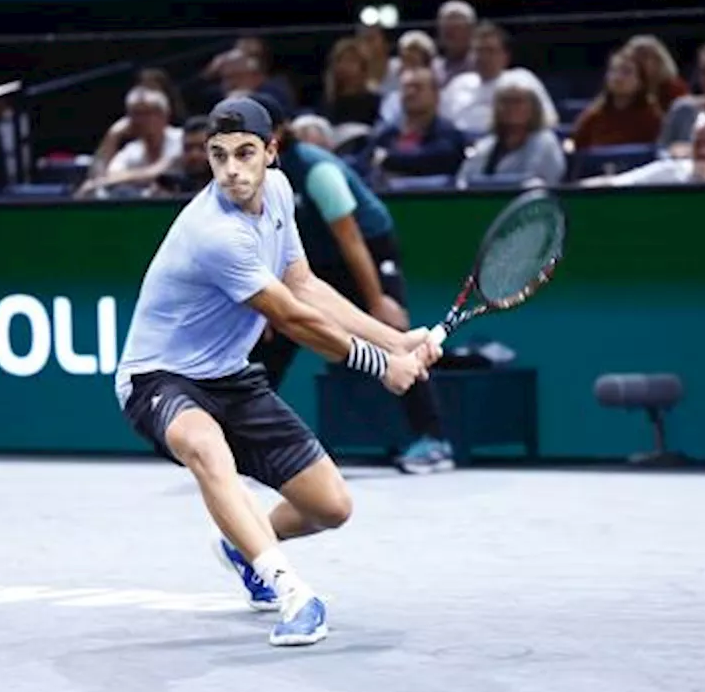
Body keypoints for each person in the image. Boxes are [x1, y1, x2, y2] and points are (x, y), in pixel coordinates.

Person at [114, 97, 441, 647]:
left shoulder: (282, 193)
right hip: (159, 377)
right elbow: (290, 316)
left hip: (228, 374)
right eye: (219, 157)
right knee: (206, 448)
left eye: (245, 154)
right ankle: (292, 592)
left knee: (330, 507)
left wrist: (394, 337)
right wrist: (382, 364)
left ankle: (244, 544)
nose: (232, 170)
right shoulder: (215, 232)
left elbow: (304, 284)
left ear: (271, 152)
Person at [248, 92, 455, 474]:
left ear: (277, 132)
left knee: (391, 334)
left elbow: (351, 238)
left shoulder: (314, 169)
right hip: (310, 261)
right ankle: (245, 444)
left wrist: (377, 299)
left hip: (366, 251)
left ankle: (433, 441)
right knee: (272, 344)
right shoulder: (254, 177)